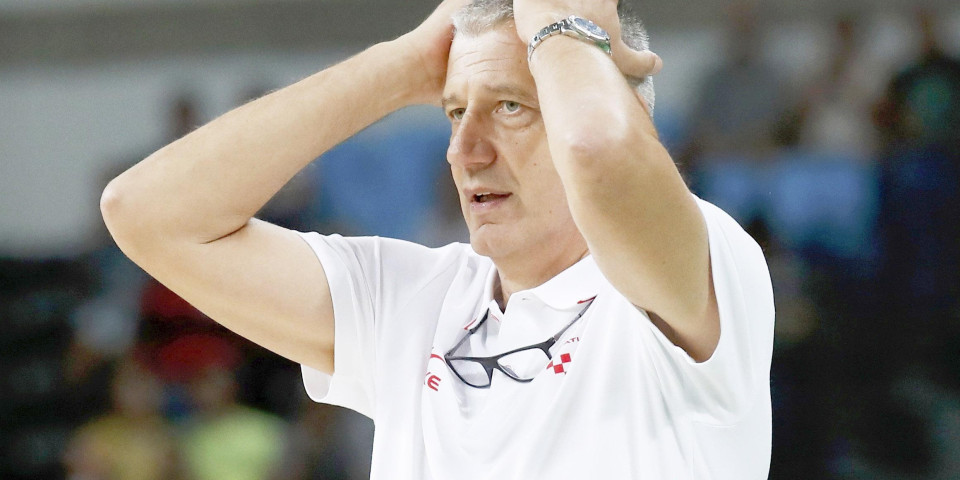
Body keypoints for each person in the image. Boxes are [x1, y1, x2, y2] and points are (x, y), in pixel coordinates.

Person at [100, 0, 775, 478]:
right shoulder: (413, 298)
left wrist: (557, 22)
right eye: (454, 111)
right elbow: (145, 213)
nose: (463, 151)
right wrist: (402, 65)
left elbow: (600, 152)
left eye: (510, 106)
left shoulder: (703, 265)